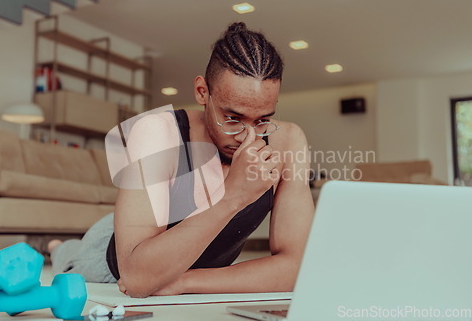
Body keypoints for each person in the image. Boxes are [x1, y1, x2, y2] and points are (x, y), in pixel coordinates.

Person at [49, 22, 315, 298]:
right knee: (68, 258)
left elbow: (296, 267)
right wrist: (234, 195)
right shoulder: (158, 131)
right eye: (232, 118)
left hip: (160, 246)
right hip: (109, 259)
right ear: (202, 92)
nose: (247, 137)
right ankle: (58, 248)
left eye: (262, 120)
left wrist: (184, 282)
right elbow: (138, 279)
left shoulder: (289, 140)